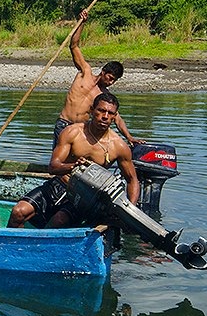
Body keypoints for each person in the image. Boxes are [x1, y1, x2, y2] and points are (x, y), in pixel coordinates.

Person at [9, 92, 140, 229]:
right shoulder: (72, 132)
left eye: (110, 113)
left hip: (84, 196)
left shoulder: (118, 146)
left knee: (59, 221)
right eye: (101, 110)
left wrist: (130, 210)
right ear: (91, 110)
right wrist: (74, 166)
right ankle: (11, 247)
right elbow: (53, 167)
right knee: (18, 212)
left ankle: (45, 248)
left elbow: (132, 180)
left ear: (114, 116)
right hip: (59, 184)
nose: (105, 116)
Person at [54, 10, 142, 148]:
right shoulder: (85, 72)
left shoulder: (103, 95)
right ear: (103, 72)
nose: (111, 82)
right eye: (110, 78)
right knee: (57, 162)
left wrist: (129, 137)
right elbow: (74, 46)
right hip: (64, 123)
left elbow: (116, 118)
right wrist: (82, 22)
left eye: (114, 81)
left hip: (80, 129)